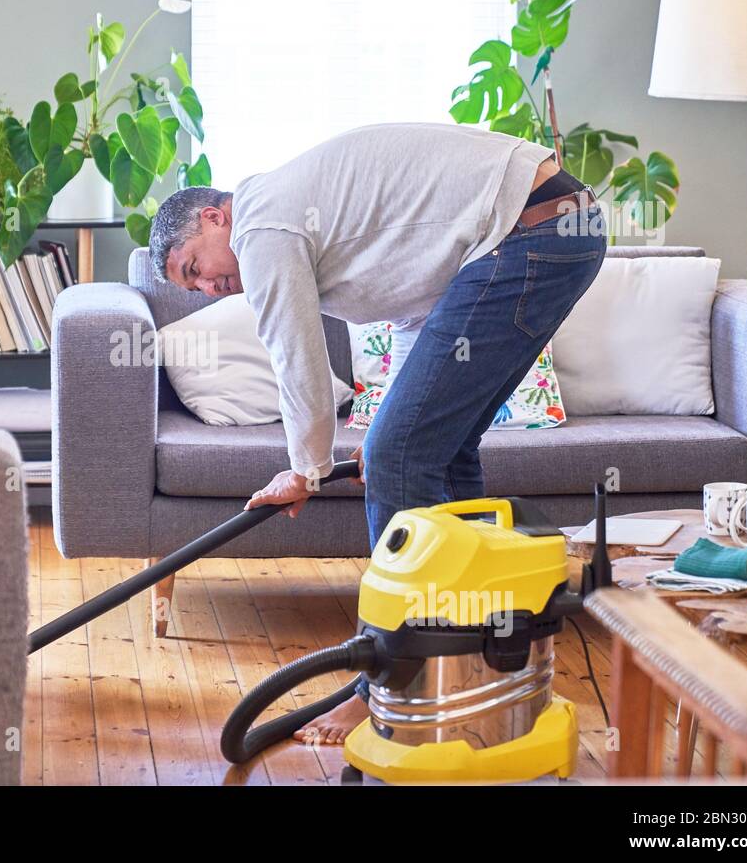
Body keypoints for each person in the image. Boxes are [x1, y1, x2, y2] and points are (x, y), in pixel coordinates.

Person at [147, 123, 606, 743]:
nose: (209, 287)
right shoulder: (296, 218)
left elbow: (296, 353)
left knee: (398, 456)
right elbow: (426, 312)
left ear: (213, 217)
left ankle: (389, 682)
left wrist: (305, 468)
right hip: (559, 228)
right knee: (435, 453)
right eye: (194, 286)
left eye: (195, 266)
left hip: (534, 229)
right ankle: (465, 666)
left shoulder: (261, 225)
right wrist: (396, 421)